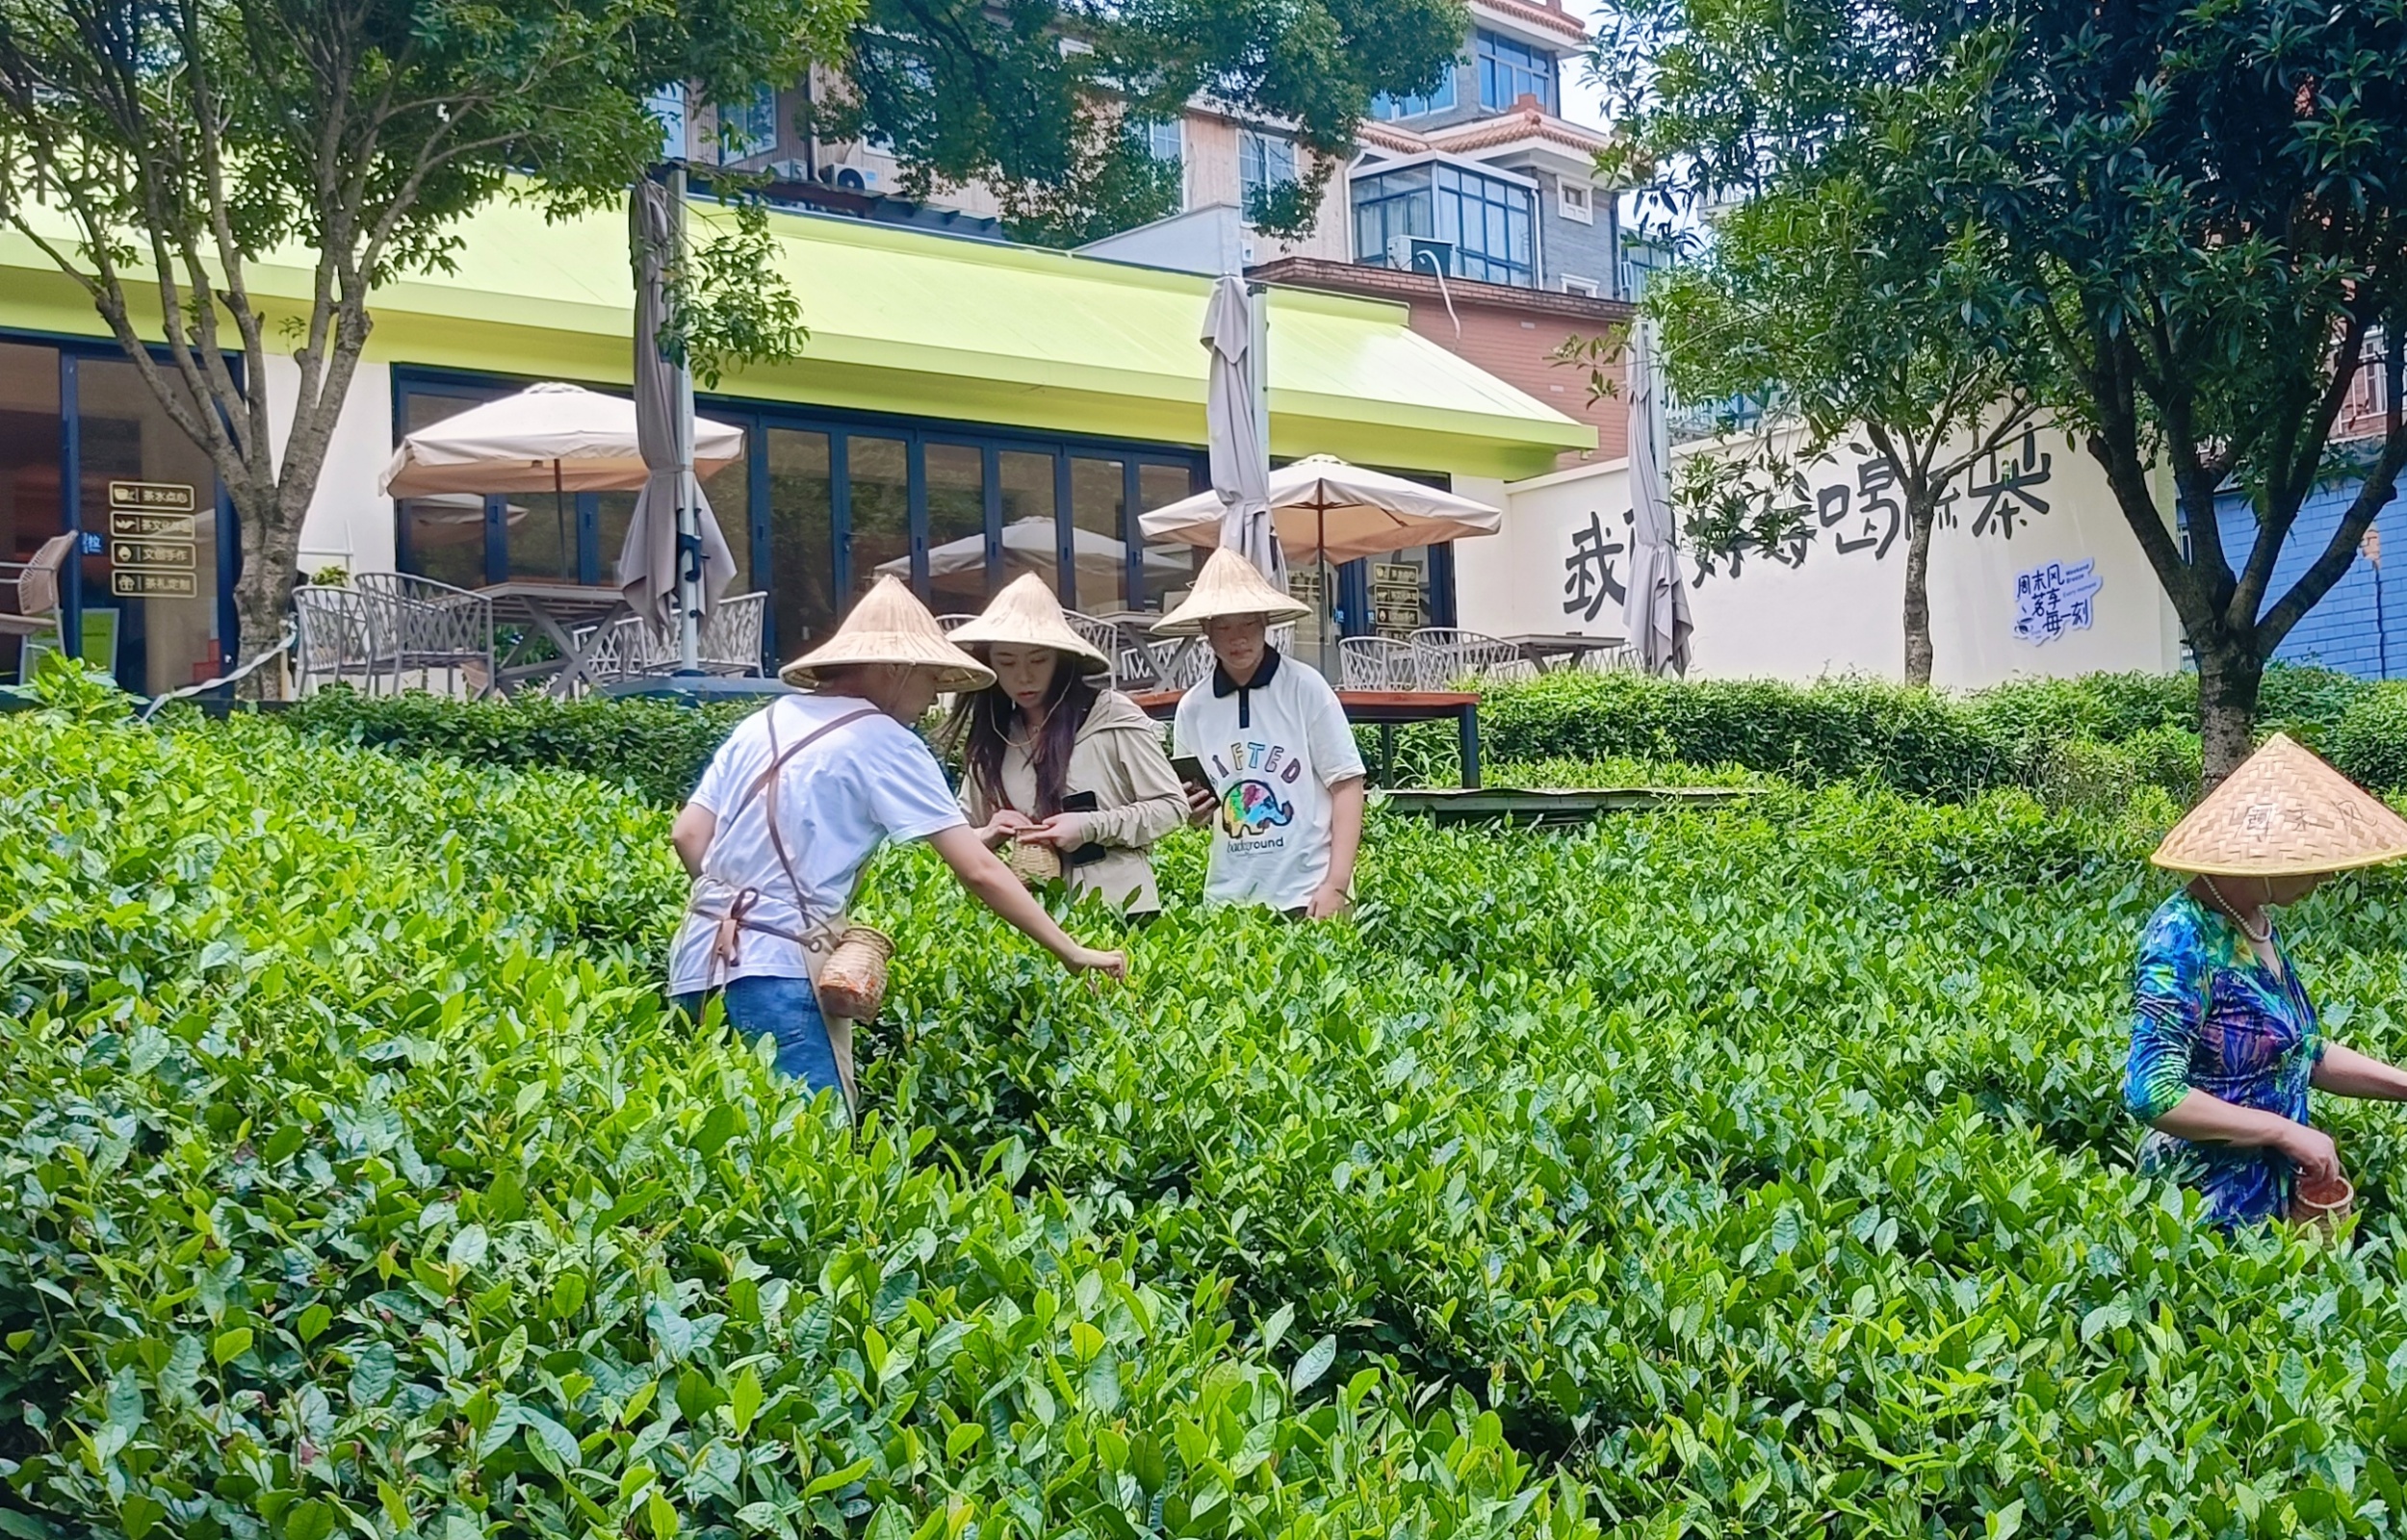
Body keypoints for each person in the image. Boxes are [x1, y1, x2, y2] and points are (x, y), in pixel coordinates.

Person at [667, 576, 1126, 1110]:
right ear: (895, 668)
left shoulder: (764, 721)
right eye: (932, 676)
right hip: (778, 973)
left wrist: (745, 910)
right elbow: (977, 869)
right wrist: (1070, 951)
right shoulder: (884, 741)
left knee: (720, 1152)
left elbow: (688, 835)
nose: (934, 696)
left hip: (695, 964)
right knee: (810, 1155)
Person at [2125, 732, 2407, 1227]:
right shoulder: (2180, 938)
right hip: (2205, 1202)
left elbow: (2302, 1051)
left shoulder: (2254, 923)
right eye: (2312, 864)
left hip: (2277, 1181)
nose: (2323, 879)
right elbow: (2153, 1091)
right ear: (2261, 859)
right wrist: (2282, 1131)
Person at [944, 575, 1188, 919]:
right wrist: (991, 831)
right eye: (1007, 661)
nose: (1024, 676)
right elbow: (959, 835)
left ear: (1061, 658)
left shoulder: (1109, 714)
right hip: (1030, 917)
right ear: (991, 663)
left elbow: (1172, 807)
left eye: (1038, 660)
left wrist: (1091, 826)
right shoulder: (996, 735)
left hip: (1121, 910)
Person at [1152, 547, 1366, 918]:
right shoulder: (1193, 708)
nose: (1237, 638)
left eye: (1248, 623)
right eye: (1223, 626)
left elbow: (1347, 784)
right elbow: (1197, 812)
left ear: (1265, 620)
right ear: (1206, 629)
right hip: (1227, 903)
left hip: (1308, 896)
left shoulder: (1305, 688)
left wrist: (1336, 884)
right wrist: (1193, 811)